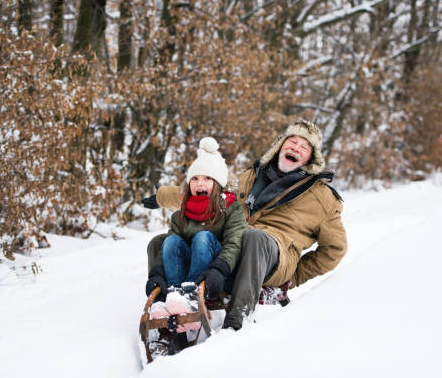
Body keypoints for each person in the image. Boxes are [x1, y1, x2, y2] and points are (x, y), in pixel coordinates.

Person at [144, 119, 348, 331]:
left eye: (304, 147)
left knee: (254, 237)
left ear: (310, 157)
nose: (296, 148)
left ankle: (237, 322)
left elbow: (335, 249)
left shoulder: (322, 197)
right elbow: (209, 193)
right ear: (280, 145)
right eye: (292, 141)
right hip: (233, 247)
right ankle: (169, 309)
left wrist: (295, 276)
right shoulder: (251, 176)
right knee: (162, 242)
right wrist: (162, 196)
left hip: (274, 257)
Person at [144, 137, 247, 333]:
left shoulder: (231, 209)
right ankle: (174, 296)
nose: (200, 184)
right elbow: (170, 248)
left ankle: (190, 296)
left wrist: (219, 269)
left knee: (203, 237)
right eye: (195, 179)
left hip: (217, 275)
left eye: (208, 179)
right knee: (172, 240)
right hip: (186, 268)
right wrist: (157, 274)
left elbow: (235, 243)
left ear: (218, 184)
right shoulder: (179, 215)